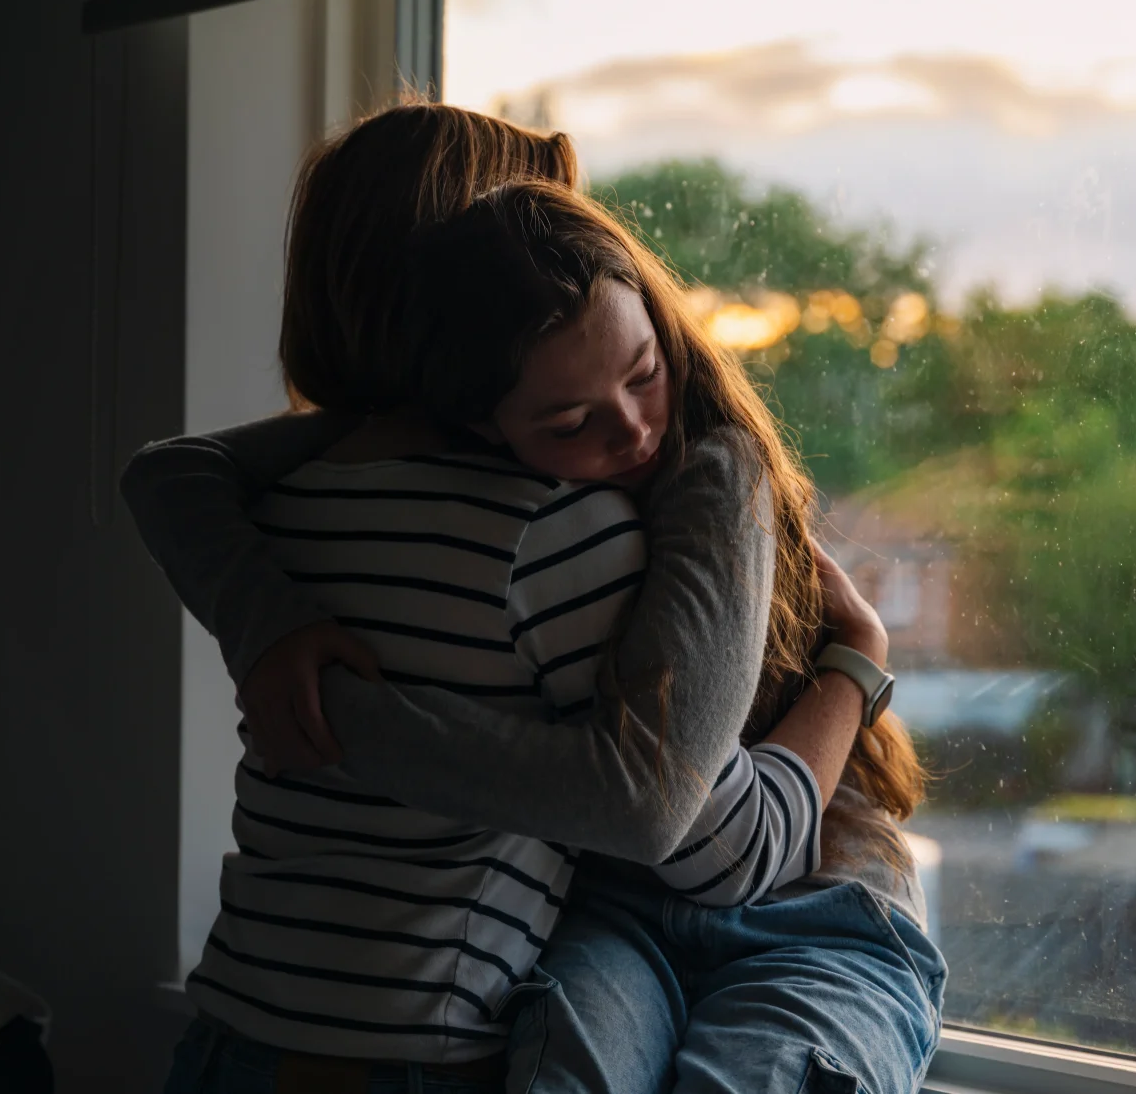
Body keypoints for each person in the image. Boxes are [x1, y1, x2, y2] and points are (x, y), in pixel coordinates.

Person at [124, 111, 945, 1094]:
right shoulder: (554, 538)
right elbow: (707, 841)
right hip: (470, 1015)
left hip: (238, 1034)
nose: (627, 423)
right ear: (456, 321)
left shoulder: (279, 511)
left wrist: (290, 652)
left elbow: (169, 474)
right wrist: (855, 662)